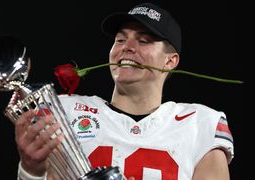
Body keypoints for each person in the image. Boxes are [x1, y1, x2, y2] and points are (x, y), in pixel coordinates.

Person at [15, 2, 234, 180]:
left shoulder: (200, 124)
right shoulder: (67, 112)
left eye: (143, 40)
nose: (126, 47)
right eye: (120, 39)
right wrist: (30, 171)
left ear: (170, 61)